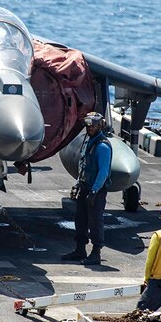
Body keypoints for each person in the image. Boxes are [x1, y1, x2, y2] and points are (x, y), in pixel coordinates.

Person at [62, 112, 113, 265]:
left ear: (100, 126)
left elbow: (103, 172)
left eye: (93, 125)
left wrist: (94, 191)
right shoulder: (89, 141)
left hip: (95, 190)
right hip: (85, 187)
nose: (90, 128)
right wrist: (79, 183)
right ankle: (80, 249)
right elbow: (83, 164)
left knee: (95, 221)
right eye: (88, 125)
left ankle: (96, 253)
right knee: (80, 219)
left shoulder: (103, 146)